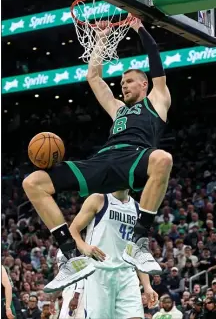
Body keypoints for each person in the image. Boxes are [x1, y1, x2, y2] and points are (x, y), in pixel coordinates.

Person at [22, 16, 172, 291]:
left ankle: (138, 243)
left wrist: (138, 27)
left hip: (134, 158)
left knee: (163, 158)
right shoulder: (117, 109)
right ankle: (69, 257)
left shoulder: (157, 100)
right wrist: (102, 38)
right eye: (121, 82)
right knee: (33, 182)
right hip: (102, 161)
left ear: (144, 85)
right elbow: (93, 76)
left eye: (129, 81)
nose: (123, 85)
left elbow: (156, 62)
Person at [52, 190, 159, 318]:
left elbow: (138, 249)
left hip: (127, 274)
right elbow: (72, 231)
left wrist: (147, 286)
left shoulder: (137, 208)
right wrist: (84, 247)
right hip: (99, 273)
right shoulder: (98, 200)